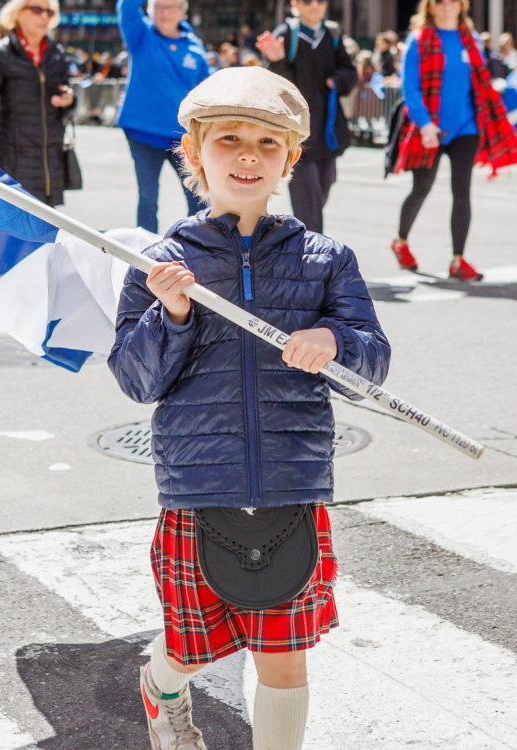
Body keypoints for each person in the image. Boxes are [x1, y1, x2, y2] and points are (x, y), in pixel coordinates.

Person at [108, 65, 391, 750]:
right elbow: (136, 380)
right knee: (192, 645)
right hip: (198, 487)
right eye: (228, 139)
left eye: (268, 143)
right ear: (194, 151)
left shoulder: (326, 259)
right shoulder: (162, 261)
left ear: (290, 159)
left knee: (283, 659)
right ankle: (161, 687)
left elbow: (372, 363)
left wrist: (335, 341)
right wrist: (171, 314)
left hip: (292, 485)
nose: (247, 156)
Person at [391, 0, 517, 281]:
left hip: (466, 128)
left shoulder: (471, 40)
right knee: (421, 188)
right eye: (440, 1)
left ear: (461, 5)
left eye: (453, 0)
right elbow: (410, 88)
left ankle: (458, 260)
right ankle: (400, 241)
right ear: (430, 7)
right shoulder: (419, 40)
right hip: (430, 128)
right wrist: (425, 125)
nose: (447, 4)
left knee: (462, 191)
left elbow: (480, 83)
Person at [256, 0, 357, 234]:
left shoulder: (332, 34)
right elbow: (276, 85)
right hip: (297, 132)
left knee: (323, 187)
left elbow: (350, 72)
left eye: (320, 1)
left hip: (327, 129)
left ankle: (295, 235)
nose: (314, 6)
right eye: (307, 1)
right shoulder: (287, 34)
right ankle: (312, 249)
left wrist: (338, 80)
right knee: (309, 202)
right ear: (295, 3)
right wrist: (277, 60)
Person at [117, 0, 209, 234]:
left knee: (198, 197)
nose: (164, 12)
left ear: (183, 12)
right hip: (143, 133)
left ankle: (198, 243)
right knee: (148, 199)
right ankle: (145, 248)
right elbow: (126, 8)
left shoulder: (195, 47)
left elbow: (205, 92)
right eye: (158, 6)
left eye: (171, 7)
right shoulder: (141, 36)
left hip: (182, 137)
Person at [0, 0, 74, 206]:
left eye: (49, 12)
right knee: (15, 219)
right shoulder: (0, 54)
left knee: (47, 222)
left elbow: (66, 98)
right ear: (18, 14)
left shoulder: (56, 53)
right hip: (14, 159)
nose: (44, 16)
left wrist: (69, 100)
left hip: (50, 160)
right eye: (37, 10)